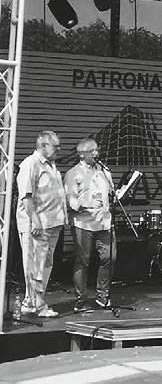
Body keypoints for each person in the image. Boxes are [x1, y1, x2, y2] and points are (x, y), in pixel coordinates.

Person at [16, 131, 67, 318]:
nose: (59, 150)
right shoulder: (30, 164)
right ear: (43, 145)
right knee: (35, 265)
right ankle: (36, 304)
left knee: (45, 264)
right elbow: (26, 196)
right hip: (38, 223)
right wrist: (35, 220)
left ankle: (33, 301)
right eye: (56, 146)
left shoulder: (51, 165)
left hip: (52, 222)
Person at [64, 138, 117, 310]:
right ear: (81, 154)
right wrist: (82, 204)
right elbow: (70, 199)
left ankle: (103, 296)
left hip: (104, 221)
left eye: (97, 150)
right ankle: (81, 300)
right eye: (92, 151)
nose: (96, 153)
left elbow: (110, 193)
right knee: (83, 260)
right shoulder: (73, 173)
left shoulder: (104, 171)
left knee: (110, 257)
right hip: (83, 223)